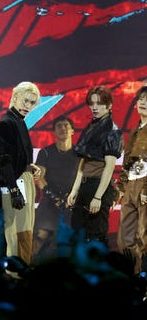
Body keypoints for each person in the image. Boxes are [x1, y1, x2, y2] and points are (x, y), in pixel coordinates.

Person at [0, 81, 41, 265]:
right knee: (17, 235)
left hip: (22, 182)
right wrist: (14, 190)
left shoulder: (17, 122)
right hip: (15, 186)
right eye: (25, 101)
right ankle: (15, 276)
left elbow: (14, 156)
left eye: (32, 103)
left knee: (24, 233)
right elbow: (3, 159)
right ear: (15, 97)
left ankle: (20, 273)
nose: (28, 106)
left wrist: (29, 166)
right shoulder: (6, 123)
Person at [66, 85, 123, 247]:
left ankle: (98, 272)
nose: (94, 107)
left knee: (95, 238)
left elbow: (109, 167)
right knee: (78, 235)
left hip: (98, 187)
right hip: (84, 186)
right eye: (92, 103)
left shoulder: (113, 131)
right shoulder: (91, 127)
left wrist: (98, 196)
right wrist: (75, 189)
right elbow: (83, 161)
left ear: (109, 105)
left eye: (99, 103)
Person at [33, 115, 80, 263]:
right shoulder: (46, 152)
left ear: (72, 131)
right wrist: (54, 197)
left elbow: (83, 177)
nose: (63, 128)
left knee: (73, 241)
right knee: (40, 236)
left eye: (66, 126)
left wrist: (72, 198)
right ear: (54, 132)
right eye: (59, 126)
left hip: (73, 202)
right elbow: (39, 178)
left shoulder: (80, 154)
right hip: (50, 200)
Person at [116, 85, 147, 274]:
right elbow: (127, 163)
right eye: (141, 99)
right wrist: (121, 187)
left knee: (144, 236)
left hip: (144, 185)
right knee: (125, 238)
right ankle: (134, 277)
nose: (143, 102)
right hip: (131, 185)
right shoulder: (135, 130)